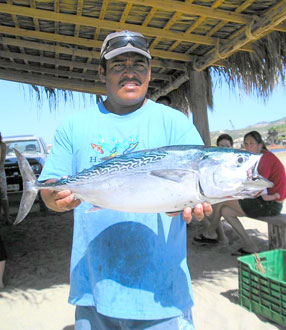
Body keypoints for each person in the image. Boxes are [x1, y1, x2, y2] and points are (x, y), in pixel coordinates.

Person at [39, 30, 212, 330]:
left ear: (149, 71)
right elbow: (50, 191)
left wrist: (191, 206)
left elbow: (194, 191)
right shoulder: (73, 127)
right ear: (102, 71)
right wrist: (56, 199)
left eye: (139, 64)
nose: (130, 72)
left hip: (162, 294)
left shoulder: (174, 123)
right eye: (118, 65)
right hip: (93, 290)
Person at [195, 131, 286, 255]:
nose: (248, 147)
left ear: (260, 144)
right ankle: (250, 245)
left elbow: (257, 186)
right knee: (225, 211)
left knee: (223, 201)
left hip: (270, 204)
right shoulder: (258, 157)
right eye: (246, 144)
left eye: (252, 144)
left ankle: (210, 233)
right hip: (262, 199)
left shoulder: (264, 158)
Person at [0, 132, 9, 224]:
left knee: (3, 196)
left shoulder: (2, 145)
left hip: (0, 172)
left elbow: (1, 159)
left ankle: (6, 217)